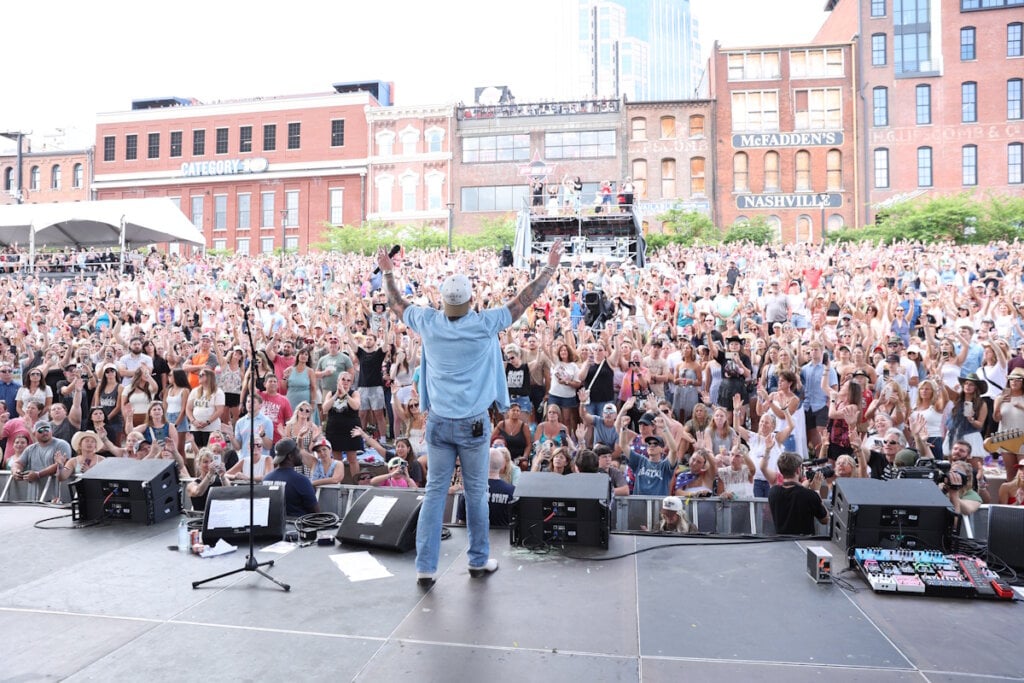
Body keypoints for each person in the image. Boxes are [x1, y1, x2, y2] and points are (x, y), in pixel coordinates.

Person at [376, 239, 563, 587]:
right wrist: (549, 268)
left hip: (438, 423)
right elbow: (523, 300)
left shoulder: (429, 321)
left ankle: (425, 565)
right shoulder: (483, 324)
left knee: (434, 492)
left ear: (443, 302)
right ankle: (478, 560)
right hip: (474, 425)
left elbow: (397, 303)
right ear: (470, 301)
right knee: (476, 492)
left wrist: (388, 272)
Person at [767, 451, 829, 535]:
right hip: (803, 543)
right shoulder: (809, 495)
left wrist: (804, 486)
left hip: (781, 543)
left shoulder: (773, 492)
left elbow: (793, 493)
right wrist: (816, 491)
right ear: (798, 470)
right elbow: (825, 519)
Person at [10, 421, 72, 499]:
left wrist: (38, 474)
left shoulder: (62, 444)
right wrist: (16, 471)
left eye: (47, 429)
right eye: (41, 430)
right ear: (34, 433)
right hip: (34, 496)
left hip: (55, 496)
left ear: (51, 431)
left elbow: (62, 464)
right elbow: (18, 463)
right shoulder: (30, 448)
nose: (45, 432)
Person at [457, 448, 516, 527]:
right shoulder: (512, 491)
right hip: (504, 537)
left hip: (474, 538)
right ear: (501, 465)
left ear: (483, 462)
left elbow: (461, 523)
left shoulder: (469, 490)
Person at [263, 438, 319, 517]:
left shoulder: (266, 479)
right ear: (290, 456)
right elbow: (315, 512)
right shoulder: (301, 480)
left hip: (273, 527)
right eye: (298, 452)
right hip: (298, 526)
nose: (300, 455)